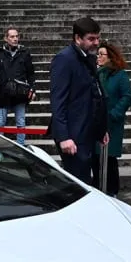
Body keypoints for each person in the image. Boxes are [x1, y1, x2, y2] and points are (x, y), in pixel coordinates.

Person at [48, 17, 107, 183]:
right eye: (91, 39)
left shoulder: (87, 57)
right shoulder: (64, 59)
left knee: (84, 180)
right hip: (73, 134)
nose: (96, 43)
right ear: (77, 38)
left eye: (98, 38)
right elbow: (57, 100)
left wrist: (101, 128)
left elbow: (94, 95)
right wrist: (64, 137)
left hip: (86, 131)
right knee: (78, 182)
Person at [93, 41, 131, 197]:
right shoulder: (96, 73)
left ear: (110, 57)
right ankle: (98, 189)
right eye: (98, 54)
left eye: (102, 54)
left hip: (112, 122)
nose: (98, 57)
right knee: (96, 158)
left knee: (109, 158)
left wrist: (115, 114)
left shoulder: (120, 75)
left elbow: (127, 97)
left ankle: (111, 191)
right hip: (97, 122)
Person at [0, 27, 37, 146]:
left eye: (17, 36)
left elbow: (31, 73)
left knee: (20, 123)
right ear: (6, 38)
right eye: (12, 37)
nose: (15, 39)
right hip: (3, 94)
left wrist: (33, 89)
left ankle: (21, 147)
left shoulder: (25, 53)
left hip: (20, 93)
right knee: (0, 123)